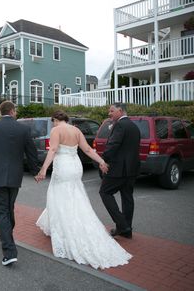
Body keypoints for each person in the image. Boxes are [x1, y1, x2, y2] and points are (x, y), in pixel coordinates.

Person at [34, 110, 132, 270]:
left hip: (63, 167)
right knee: (75, 196)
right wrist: (101, 162)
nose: (52, 124)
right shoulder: (76, 130)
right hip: (75, 167)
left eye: (53, 121)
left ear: (56, 120)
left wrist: (43, 169)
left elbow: (52, 150)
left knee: (61, 197)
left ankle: (67, 229)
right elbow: (87, 150)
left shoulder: (56, 130)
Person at [0, 101, 40, 266]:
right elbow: (32, 152)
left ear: (1, 112)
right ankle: (5, 235)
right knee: (8, 209)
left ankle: (9, 251)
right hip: (14, 176)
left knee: (2, 212)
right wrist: (35, 171)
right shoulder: (23, 129)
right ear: (12, 111)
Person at [100, 102, 140, 239]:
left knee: (105, 192)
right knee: (127, 197)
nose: (109, 113)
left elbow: (113, 144)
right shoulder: (134, 126)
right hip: (132, 169)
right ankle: (127, 231)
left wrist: (103, 160)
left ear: (121, 111)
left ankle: (122, 225)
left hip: (118, 169)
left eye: (112, 111)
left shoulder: (120, 125)